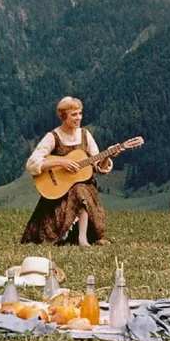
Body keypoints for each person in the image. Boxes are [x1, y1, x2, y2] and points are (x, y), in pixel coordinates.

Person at [21, 96, 119, 246]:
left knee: (81, 189)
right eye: (74, 114)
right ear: (63, 116)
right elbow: (32, 163)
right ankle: (78, 238)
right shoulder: (53, 136)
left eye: (80, 113)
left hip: (85, 186)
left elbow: (98, 165)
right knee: (79, 190)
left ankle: (83, 237)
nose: (78, 118)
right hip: (60, 191)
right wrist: (61, 162)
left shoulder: (85, 135)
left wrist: (107, 156)